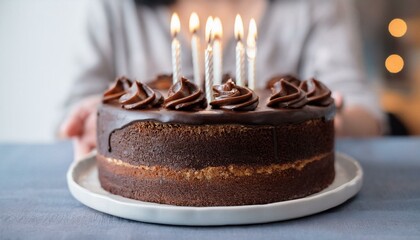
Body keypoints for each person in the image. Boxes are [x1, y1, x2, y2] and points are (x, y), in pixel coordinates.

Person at [59, 0, 386, 159]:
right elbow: (76, 108)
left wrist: (328, 119)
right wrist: (90, 116)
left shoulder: (316, 5)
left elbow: (363, 111)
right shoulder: (114, 7)